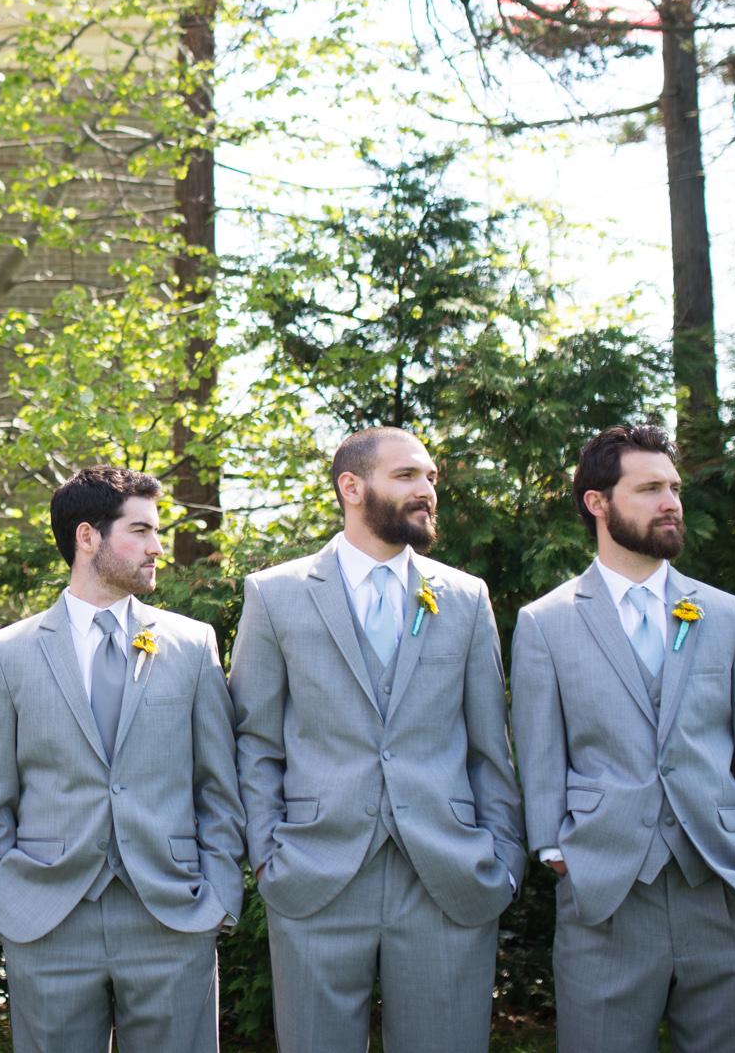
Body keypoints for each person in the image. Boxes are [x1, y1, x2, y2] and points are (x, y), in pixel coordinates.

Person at [511, 423, 735, 1053]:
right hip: (607, 895)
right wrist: (551, 849)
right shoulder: (545, 624)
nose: (671, 501)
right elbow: (539, 752)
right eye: (649, 488)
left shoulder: (731, 617)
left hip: (730, 888)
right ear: (598, 502)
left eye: (674, 487)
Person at [230, 427, 524, 1053]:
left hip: (447, 875)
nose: (427, 491)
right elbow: (256, 740)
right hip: (314, 872)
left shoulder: (465, 599)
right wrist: (267, 855)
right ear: (351, 487)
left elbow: (487, 746)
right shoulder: (276, 594)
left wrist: (502, 858)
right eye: (408, 477)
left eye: (431, 479)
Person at [0, 466, 245, 1053]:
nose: (157, 548)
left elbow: (218, 785)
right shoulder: (8, 653)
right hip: (47, 921)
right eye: (142, 530)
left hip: (172, 915)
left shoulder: (191, 644)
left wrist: (218, 894)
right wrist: (1, 898)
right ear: (87, 538)